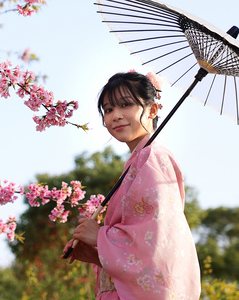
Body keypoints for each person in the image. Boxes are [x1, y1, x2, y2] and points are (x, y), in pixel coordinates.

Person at [63, 71, 201, 299]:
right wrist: (97, 252)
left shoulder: (153, 158)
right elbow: (138, 253)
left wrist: (100, 235)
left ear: (153, 110)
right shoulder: (139, 160)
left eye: (126, 105)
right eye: (108, 109)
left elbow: (154, 241)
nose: (115, 115)